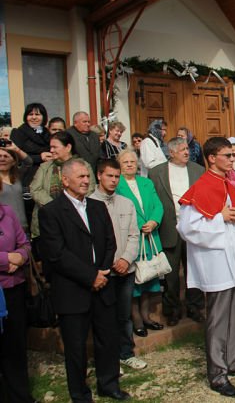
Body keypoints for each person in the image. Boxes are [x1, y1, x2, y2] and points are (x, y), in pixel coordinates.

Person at [39, 158, 130, 402]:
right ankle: (80, 393)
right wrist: (90, 276)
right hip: (73, 290)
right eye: (80, 177)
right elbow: (57, 254)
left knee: (108, 339)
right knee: (76, 347)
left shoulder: (97, 207)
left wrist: (101, 272)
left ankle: (109, 384)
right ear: (65, 179)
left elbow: (110, 242)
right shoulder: (51, 212)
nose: (86, 180)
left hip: (103, 285)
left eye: (87, 176)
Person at [177, 137, 235, 397]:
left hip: (233, 259)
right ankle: (217, 374)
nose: (232, 159)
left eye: (233, 155)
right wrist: (220, 218)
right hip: (216, 263)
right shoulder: (202, 186)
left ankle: (234, 362)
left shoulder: (227, 184)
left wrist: (233, 220)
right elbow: (187, 228)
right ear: (212, 158)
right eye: (227, 155)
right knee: (217, 319)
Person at [89, 159, 147, 371]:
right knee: (104, 318)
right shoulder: (89, 203)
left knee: (124, 316)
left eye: (116, 176)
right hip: (102, 272)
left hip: (125, 269)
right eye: (109, 176)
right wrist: (107, 264)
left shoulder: (126, 203)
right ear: (99, 175)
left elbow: (134, 235)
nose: (113, 180)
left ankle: (126, 353)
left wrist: (125, 259)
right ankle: (107, 359)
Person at [148, 138, 205, 326]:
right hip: (169, 228)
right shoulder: (157, 172)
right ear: (171, 153)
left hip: (193, 228)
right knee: (171, 274)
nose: (186, 152)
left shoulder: (198, 170)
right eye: (182, 149)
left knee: (194, 271)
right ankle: (172, 310)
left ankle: (194, 307)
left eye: (187, 148)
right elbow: (153, 199)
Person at [115, 149, 165, 337]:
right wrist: (137, 227)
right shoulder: (116, 184)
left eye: (132, 162)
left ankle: (146, 316)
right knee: (134, 283)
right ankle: (135, 318)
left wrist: (153, 221)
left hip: (150, 237)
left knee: (149, 280)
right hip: (130, 240)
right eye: (125, 162)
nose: (129, 164)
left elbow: (158, 205)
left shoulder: (146, 182)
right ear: (119, 165)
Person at [30, 131, 96, 241]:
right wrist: (55, 207)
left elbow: (89, 188)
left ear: (68, 147)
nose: (51, 150)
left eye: (55, 147)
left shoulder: (84, 166)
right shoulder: (45, 167)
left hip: (75, 220)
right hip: (47, 221)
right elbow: (35, 189)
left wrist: (69, 207)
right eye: (50, 147)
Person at [0, 203, 35, 403]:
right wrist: (7, 259)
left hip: (14, 289)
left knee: (15, 347)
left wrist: (20, 257)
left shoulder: (8, 212)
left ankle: (20, 396)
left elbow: (25, 244)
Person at [10, 103, 52, 227]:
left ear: (44, 117)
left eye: (37, 114)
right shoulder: (18, 133)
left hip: (46, 176)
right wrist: (39, 157)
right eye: (30, 114)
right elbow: (14, 158)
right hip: (27, 177)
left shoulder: (47, 133)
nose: (34, 117)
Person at [0, 142, 33, 230]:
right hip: (4, 230)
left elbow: (28, 162)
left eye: (6, 156)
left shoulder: (17, 176)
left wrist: (16, 149)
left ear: (14, 162)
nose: (2, 159)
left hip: (22, 227)